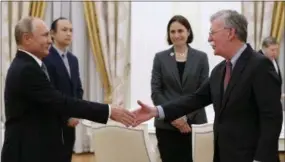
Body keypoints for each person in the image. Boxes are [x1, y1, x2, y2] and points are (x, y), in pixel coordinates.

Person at [133, 10, 283, 162]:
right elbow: (195, 99)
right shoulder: (220, 71)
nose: (209, 38)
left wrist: (261, 159)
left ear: (230, 33)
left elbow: (272, 118)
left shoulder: (260, 65)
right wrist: (156, 111)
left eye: (212, 32)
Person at [1, 16, 135, 162]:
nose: (50, 40)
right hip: (25, 152)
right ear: (27, 38)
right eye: (45, 35)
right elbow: (59, 101)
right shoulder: (27, 69)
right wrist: (108, 111)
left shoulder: (28, 65)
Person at [151, 15, 209, 162]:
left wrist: (185, 117)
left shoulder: (201, 58)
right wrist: (174, 116)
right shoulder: (160, 58)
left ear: (188, 32)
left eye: (180, 31)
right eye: (172, 32)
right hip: (167, 125)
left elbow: (203, 93)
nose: (176, 35)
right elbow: (156, 92)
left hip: (193, 123)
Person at [43, 17, 82, 162]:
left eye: (71, 30)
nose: (69, 34)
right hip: (53, 122)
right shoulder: (46, 58)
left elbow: (78, 88)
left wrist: (77, 112)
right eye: (64, 30)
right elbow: (50, 92)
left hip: (71, 122)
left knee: (67, 156)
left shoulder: (73, 59)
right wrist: (67, 117)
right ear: (52, 34)